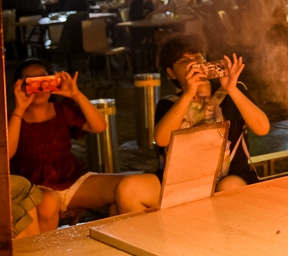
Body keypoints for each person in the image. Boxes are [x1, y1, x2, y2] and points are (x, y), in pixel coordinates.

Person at [9, 59, 160, 228]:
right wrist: (19, 110)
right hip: (36, 187)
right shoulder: (13, 119)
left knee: (128, 187)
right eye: (32, 83)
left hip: (72, 180)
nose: (40, 88)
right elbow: (7, 153)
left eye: (45, 80)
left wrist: (76, 94)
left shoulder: (62, 110)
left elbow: (99, 126)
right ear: (19, 86)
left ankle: (122, 241)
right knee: (47, 203)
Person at [154, 35, 271, 191]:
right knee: (129, 189)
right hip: (183, 181)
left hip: (231, 175)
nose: (193, 64)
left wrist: (232, 89)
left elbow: (262, 128)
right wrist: (189, 94)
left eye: (197, 57)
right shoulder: (169, 104)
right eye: (184, 61)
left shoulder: (233, 91)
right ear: (171, 72)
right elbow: (161, 140)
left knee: (228, 187)